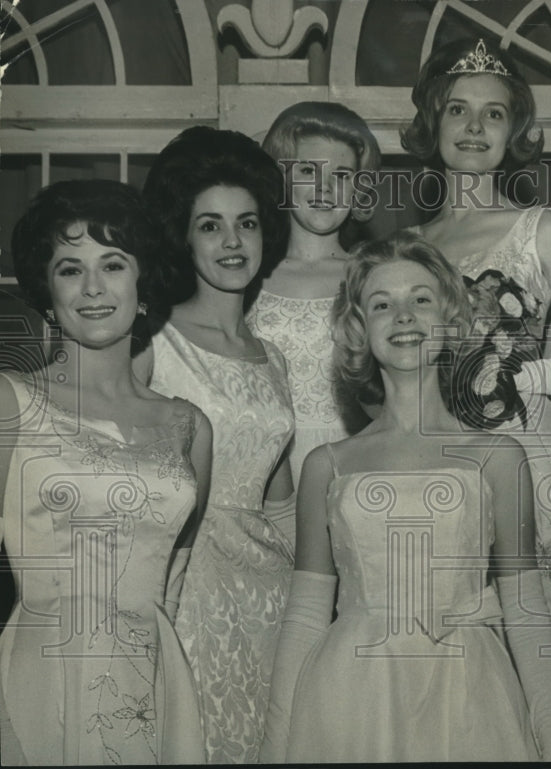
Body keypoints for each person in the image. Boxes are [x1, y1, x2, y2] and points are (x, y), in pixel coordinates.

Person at [260, 232, 551, 762]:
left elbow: (526, 611)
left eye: (421, 300)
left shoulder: (498, 457)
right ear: (359, 330)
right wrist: (275, 747)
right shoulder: (327, 465)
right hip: (351, 694)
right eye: (382, 304)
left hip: (470, 695)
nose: (403, 316)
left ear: (451, 323)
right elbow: (306, 614)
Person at [400, 36, 551, 742]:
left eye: (493, 114)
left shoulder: (541, 229)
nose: (474, 128)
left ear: (515, 131)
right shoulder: (412, 243)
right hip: (441, 460)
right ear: (432, 123)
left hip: (534, 454)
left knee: (549, 653)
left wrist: (519, 375)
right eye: (458, 110)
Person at [0, 180, 212, 764]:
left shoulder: (189, 427)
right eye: (70, 269)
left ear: (143, 282)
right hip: (43, 675)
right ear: (48, 288)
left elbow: (172, 586)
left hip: (154, 679)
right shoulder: (10, 402)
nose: (93, 288)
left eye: (113, 264)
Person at [134, 126, 295, 763]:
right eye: (210, 225)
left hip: (272, 595)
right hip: (188, 584)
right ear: (183, 234)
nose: (232, 241)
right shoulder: (152, 342)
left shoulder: (272, 355)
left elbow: (279, 497)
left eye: (247, 223)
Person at [247, 102, 381, 487]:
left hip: (353, 464)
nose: (325, 188)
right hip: (264, 466)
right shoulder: (248, 274)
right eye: (308, 171)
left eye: (342, 174)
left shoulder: (373, 274)